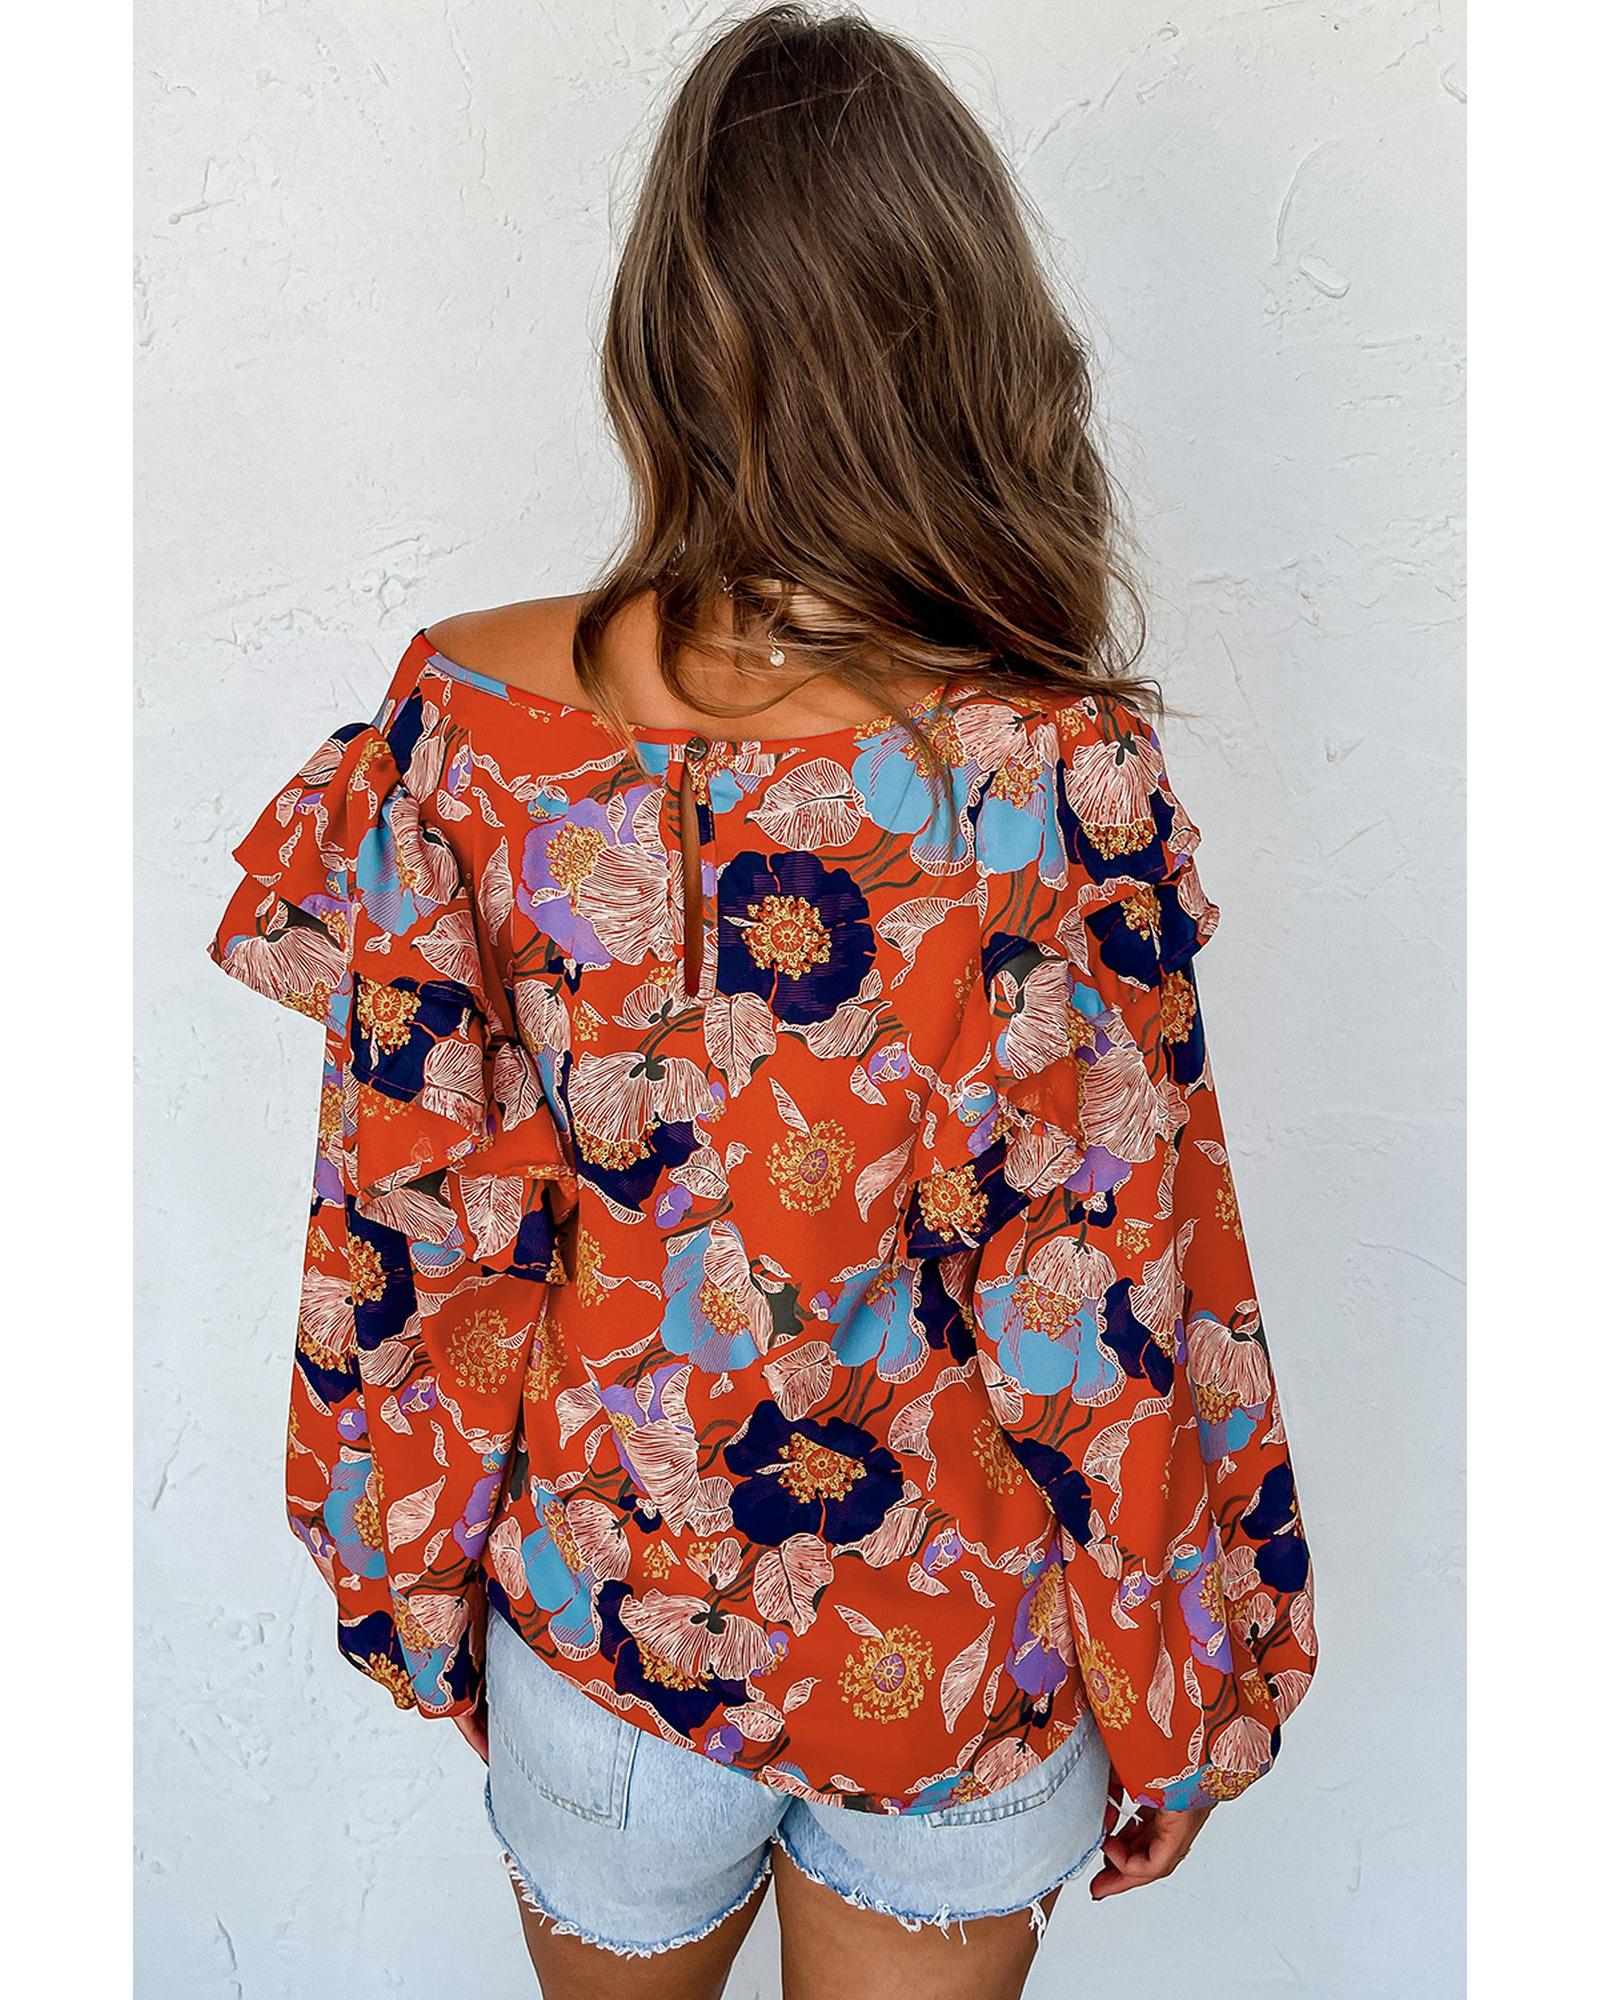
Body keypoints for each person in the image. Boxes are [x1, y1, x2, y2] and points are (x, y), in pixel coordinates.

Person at [207, 7, 1317, 1996]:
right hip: (955, 1660)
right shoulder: (1045, 777)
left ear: (663, 337)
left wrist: (409, 1577)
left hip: (608, 1635)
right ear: (972, 345)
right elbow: (1117, 1293)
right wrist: (1184, 1676)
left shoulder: (470, 728)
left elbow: (413, 1229)